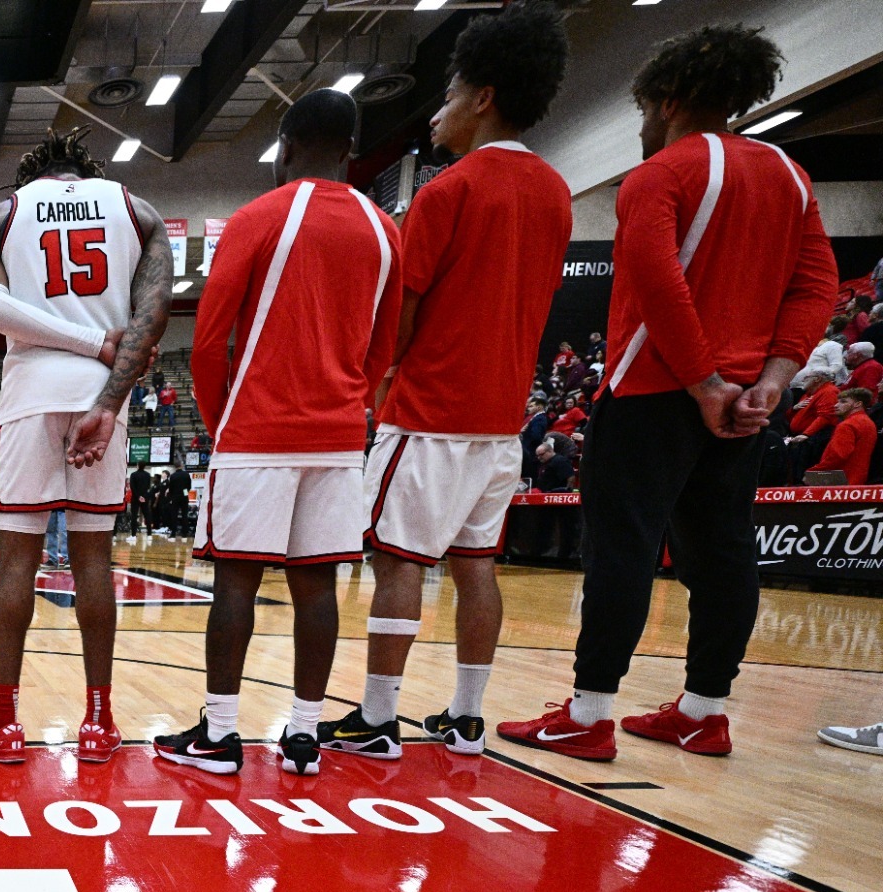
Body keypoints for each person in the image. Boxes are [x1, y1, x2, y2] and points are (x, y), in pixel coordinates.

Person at [499, 25, 837, 761]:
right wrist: (770, 383)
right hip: (744, 402)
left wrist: (702, 379)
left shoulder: (659, 174)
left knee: (620, 549)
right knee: (723, 554)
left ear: (672, 98)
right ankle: (704, 709)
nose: (643, 123)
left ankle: (589, 714)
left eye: (645, 107)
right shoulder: (788, 174)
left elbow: (658, 281)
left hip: (656, 390)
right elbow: (817, 285)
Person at [322, 1, 570, 760]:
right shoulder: (556, 192)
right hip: (501, 421)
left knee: (397, 561)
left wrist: (371, 385)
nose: (440, 109)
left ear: (484, 96)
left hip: (430, 411)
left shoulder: (448, 191)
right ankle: (466, 717)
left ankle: (378, 716)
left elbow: (403, 310)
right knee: (476, 567)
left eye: (452, 92)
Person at [156, 87, 401, 778]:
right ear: (349, 150)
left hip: (258, 431)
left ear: (285, 148)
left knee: (236, 582)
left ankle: (221, 734)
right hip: (337, 437)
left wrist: (219, 421)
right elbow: (385, 347)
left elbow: (208, 343)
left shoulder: (257, 217)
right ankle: (303, 735)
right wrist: (353, 404)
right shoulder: (385, 230)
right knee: (316, 586)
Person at [0, 127, 172, 764]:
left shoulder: (7, 213)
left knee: (18, 562)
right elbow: (153, 311)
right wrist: (108, 391)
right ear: (86, 169)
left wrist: (80, 342)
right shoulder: (137, 210)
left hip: (29, 393)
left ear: (33, 174)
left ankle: (4, 721)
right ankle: (99, 722)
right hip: (101, 396)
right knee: (93, 560)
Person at [812, 388, 877, 484]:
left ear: (858, 404)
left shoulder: (847, 424)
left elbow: (838, 455)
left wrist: (814, 471)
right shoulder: (869, 423)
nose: (836, 405)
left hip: (840, 482)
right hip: (858, 481)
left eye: (843, 402)